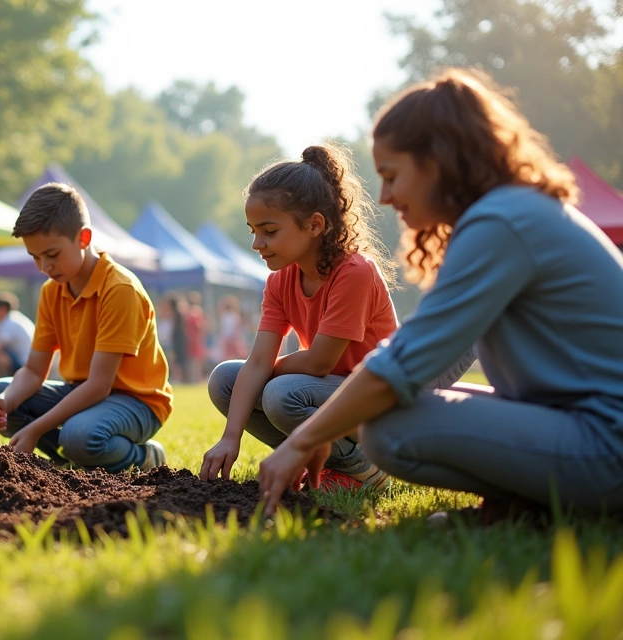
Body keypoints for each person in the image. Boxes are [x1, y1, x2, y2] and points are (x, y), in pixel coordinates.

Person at [256, 69, 623, 517]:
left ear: (438, 162)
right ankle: (523, 506)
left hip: (607, 440)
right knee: (388, 412)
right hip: (582, 424)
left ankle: (542, 505)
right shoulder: (509, 212)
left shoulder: (501, 223)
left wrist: (307, 437)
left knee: (389, 429)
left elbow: (406, 362)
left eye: (392, 176)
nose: (386, 197)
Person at [201, 143, 399, 491]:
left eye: (269, 230)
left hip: (374, 401)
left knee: (279, 393)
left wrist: (264, 371)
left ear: (315, 225)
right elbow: (258, 360)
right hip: (324, 394)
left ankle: (364, 467)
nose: (257, 243)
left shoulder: (355, 272)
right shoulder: (280, 280)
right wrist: (229, 438)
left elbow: (321, 362)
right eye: (253, 231)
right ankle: (313, 463)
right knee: (225, 381)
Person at [0, 183, 172, 472]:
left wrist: (34, 430)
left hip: (137, 401)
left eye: (52, 254)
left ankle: (144, 458)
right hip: (82, 392)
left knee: (78, 435)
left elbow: (99, 385)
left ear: (83, 238)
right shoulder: (51, 291)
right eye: (35, 257)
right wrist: (4, 403)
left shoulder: (119, 289)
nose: (44, 266)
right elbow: (33, 371)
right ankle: (70, 460)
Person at [0, 292, 35, 377]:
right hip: (29, 360)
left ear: (2, 309)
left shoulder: (10, 322)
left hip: (24, 363)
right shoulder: (15, 318)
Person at [215, 295, 249, 363]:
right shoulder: (234, 316)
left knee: (228, 357)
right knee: (235, 356)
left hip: (227, 338)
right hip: (233, 338)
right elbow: (237, 329)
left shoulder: (224, 316)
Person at [184, 291, 207, 383]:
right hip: (196, 339)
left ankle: (195, 378)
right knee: (197, 360)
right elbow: (199, 325)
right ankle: (197, 378)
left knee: (194, 359)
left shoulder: (188, 312)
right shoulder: (196, 311)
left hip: (191, 339)